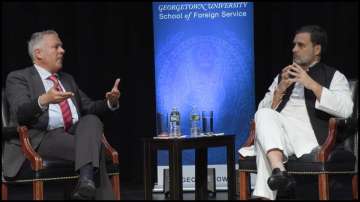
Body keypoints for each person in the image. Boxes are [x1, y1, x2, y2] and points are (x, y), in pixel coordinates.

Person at [239, 25, 354, 200]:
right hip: (280, 137)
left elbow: (346, 110)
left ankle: (266, 191)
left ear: (317, 49)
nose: (294, 50)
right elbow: (261, 113)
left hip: (308, 137)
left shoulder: (334, 76)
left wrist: (312, 84)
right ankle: (279, 170)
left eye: (301, 45)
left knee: (265, 144)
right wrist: (280, 89)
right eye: (294, 45)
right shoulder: (282, 76)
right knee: (263, 114)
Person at [3, 30, 121, 200]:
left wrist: (111, 102)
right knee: (97, 148)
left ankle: (86, 182)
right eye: (56, 47)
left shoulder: (67, 80)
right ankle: (86, 183)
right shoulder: (19, 77)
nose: (62, 50)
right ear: (38, 53)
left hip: (72, 134)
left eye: (62, 47)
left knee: (91, 120)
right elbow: (20, 113)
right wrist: (45, 99)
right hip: (41, 138)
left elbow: (90, 108)